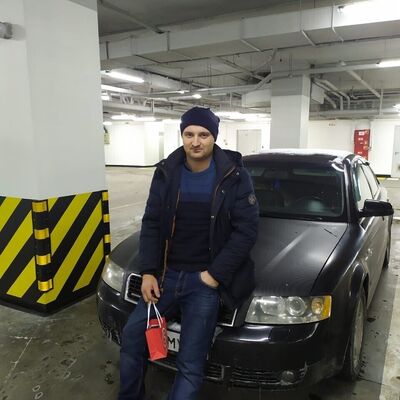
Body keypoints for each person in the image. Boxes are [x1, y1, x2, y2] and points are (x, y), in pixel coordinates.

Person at [118, 106, 259, 400]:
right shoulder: (167, 173)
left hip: (203, 284)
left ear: (214, 137)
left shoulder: (234, 176)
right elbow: (152, 223)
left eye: (203, 135)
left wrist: (213, 276)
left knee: (190, 364)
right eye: (189, 134)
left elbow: (246, 231)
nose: (196, 142)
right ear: (182, 136)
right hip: (166, 279)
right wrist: (148, 272)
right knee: (132, 337)